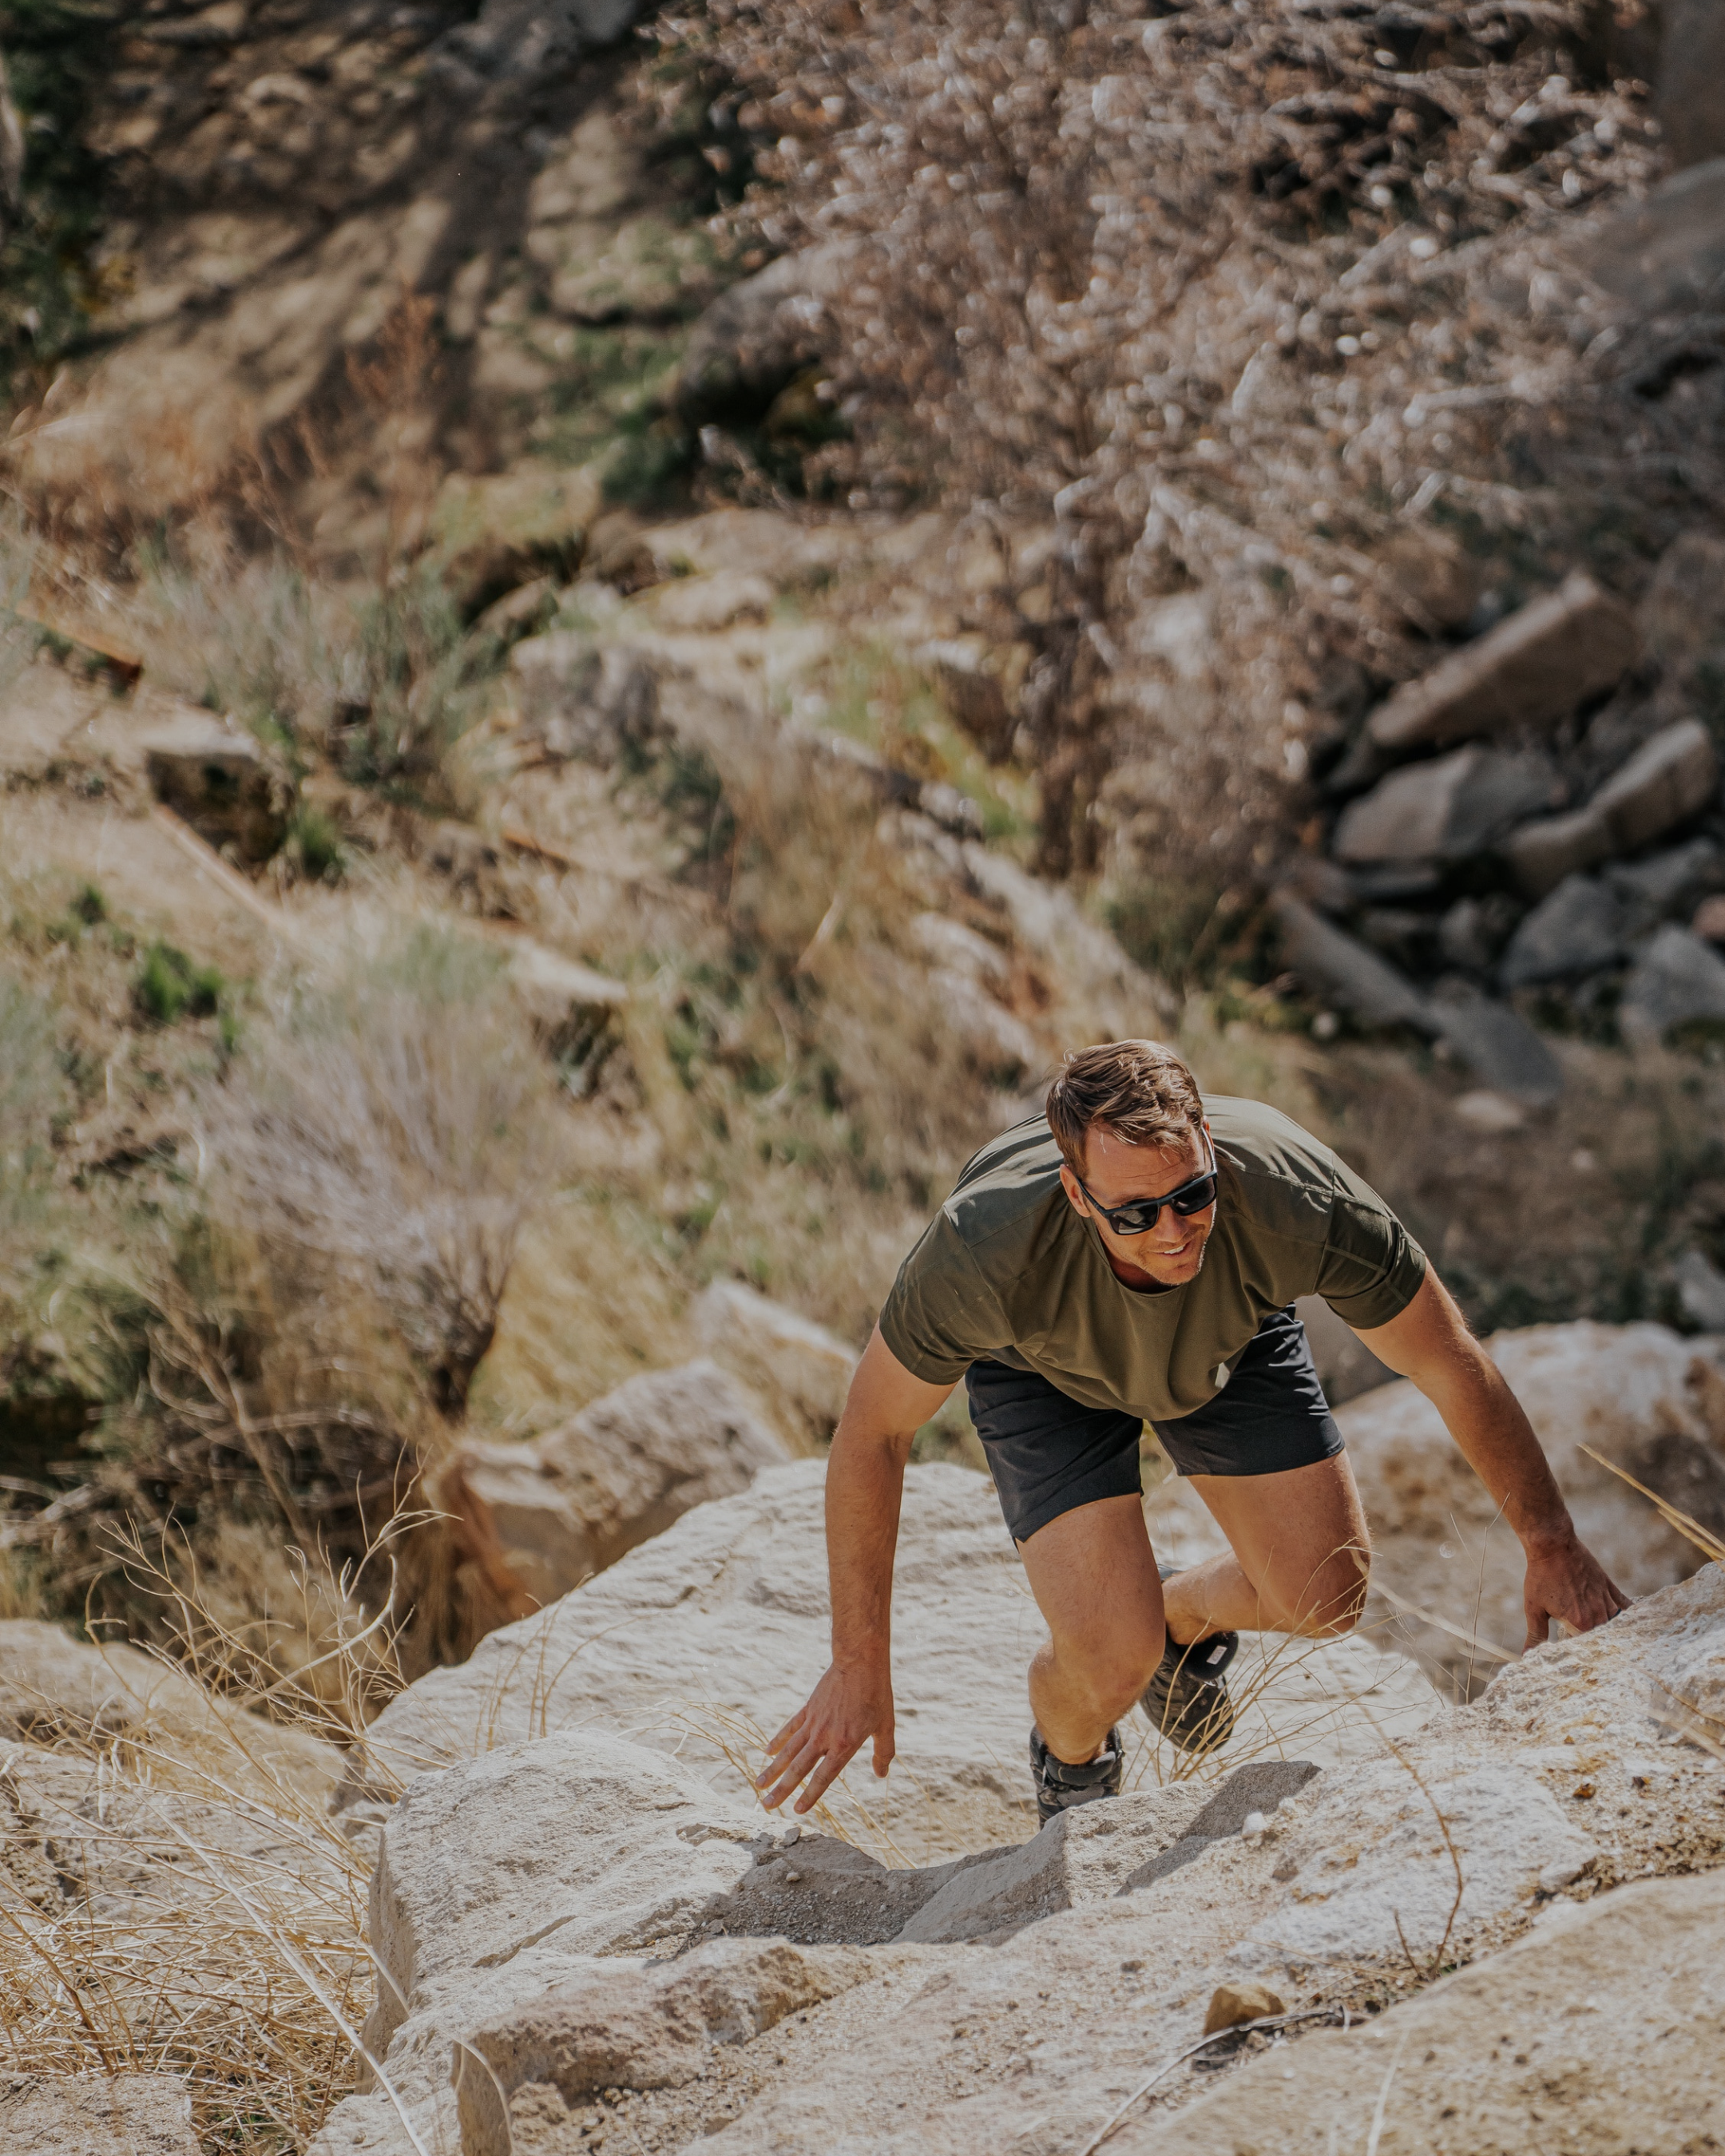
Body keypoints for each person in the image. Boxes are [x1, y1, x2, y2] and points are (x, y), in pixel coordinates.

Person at [756, 1038, 1628, 1828]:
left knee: (1328, 1595)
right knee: (1107, 1664)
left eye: (1193, 1194)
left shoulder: (1297, 1196)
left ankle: (1177, 1611)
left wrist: (1550, 1541)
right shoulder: (984, 1252)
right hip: (1044, 1373)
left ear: (1211, 1147)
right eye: (1134, 1212)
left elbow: (1446, 1359)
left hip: (1224, 1338)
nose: (1172, 1232)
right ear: (1076, 1192)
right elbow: (873, 1433)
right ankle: (1073, 1762)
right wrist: (858, 1659)